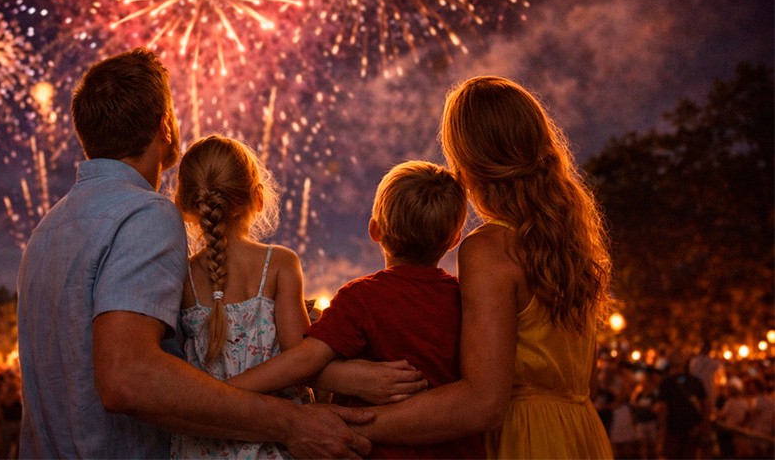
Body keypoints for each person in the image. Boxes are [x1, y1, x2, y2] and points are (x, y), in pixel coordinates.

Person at [17, 47, 373, 459]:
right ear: (164, 125)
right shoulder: (145, 214)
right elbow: (127, 376)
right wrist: (291, 422)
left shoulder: (47, 231)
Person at [350, 76, 614, 459]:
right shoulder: (571, 242)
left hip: (523, 442)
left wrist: (352, 422)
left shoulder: (489, 248)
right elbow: (584, 379)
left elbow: (483, 403)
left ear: (467, 162)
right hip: (580, 435)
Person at [228, 160, 484, 458]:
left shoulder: (361, 298)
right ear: (453, 240)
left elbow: (302, 361)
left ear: (374, 229)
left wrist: (223, 391)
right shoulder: (465, 300)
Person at [170, 134, 314, 458]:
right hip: (271, 440)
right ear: (256, 197)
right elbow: (302, 358)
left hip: (203, 444)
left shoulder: (182, 277)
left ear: (187, 204)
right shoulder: (279, 264)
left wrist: (217, 396)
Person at [656, 349, 707, 460]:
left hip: (673, 429)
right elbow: (705, 405)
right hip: (693, 428)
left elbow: (663, 408)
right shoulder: (695, 381)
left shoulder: (666, 383)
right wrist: (702, 425)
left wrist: (661, 431)